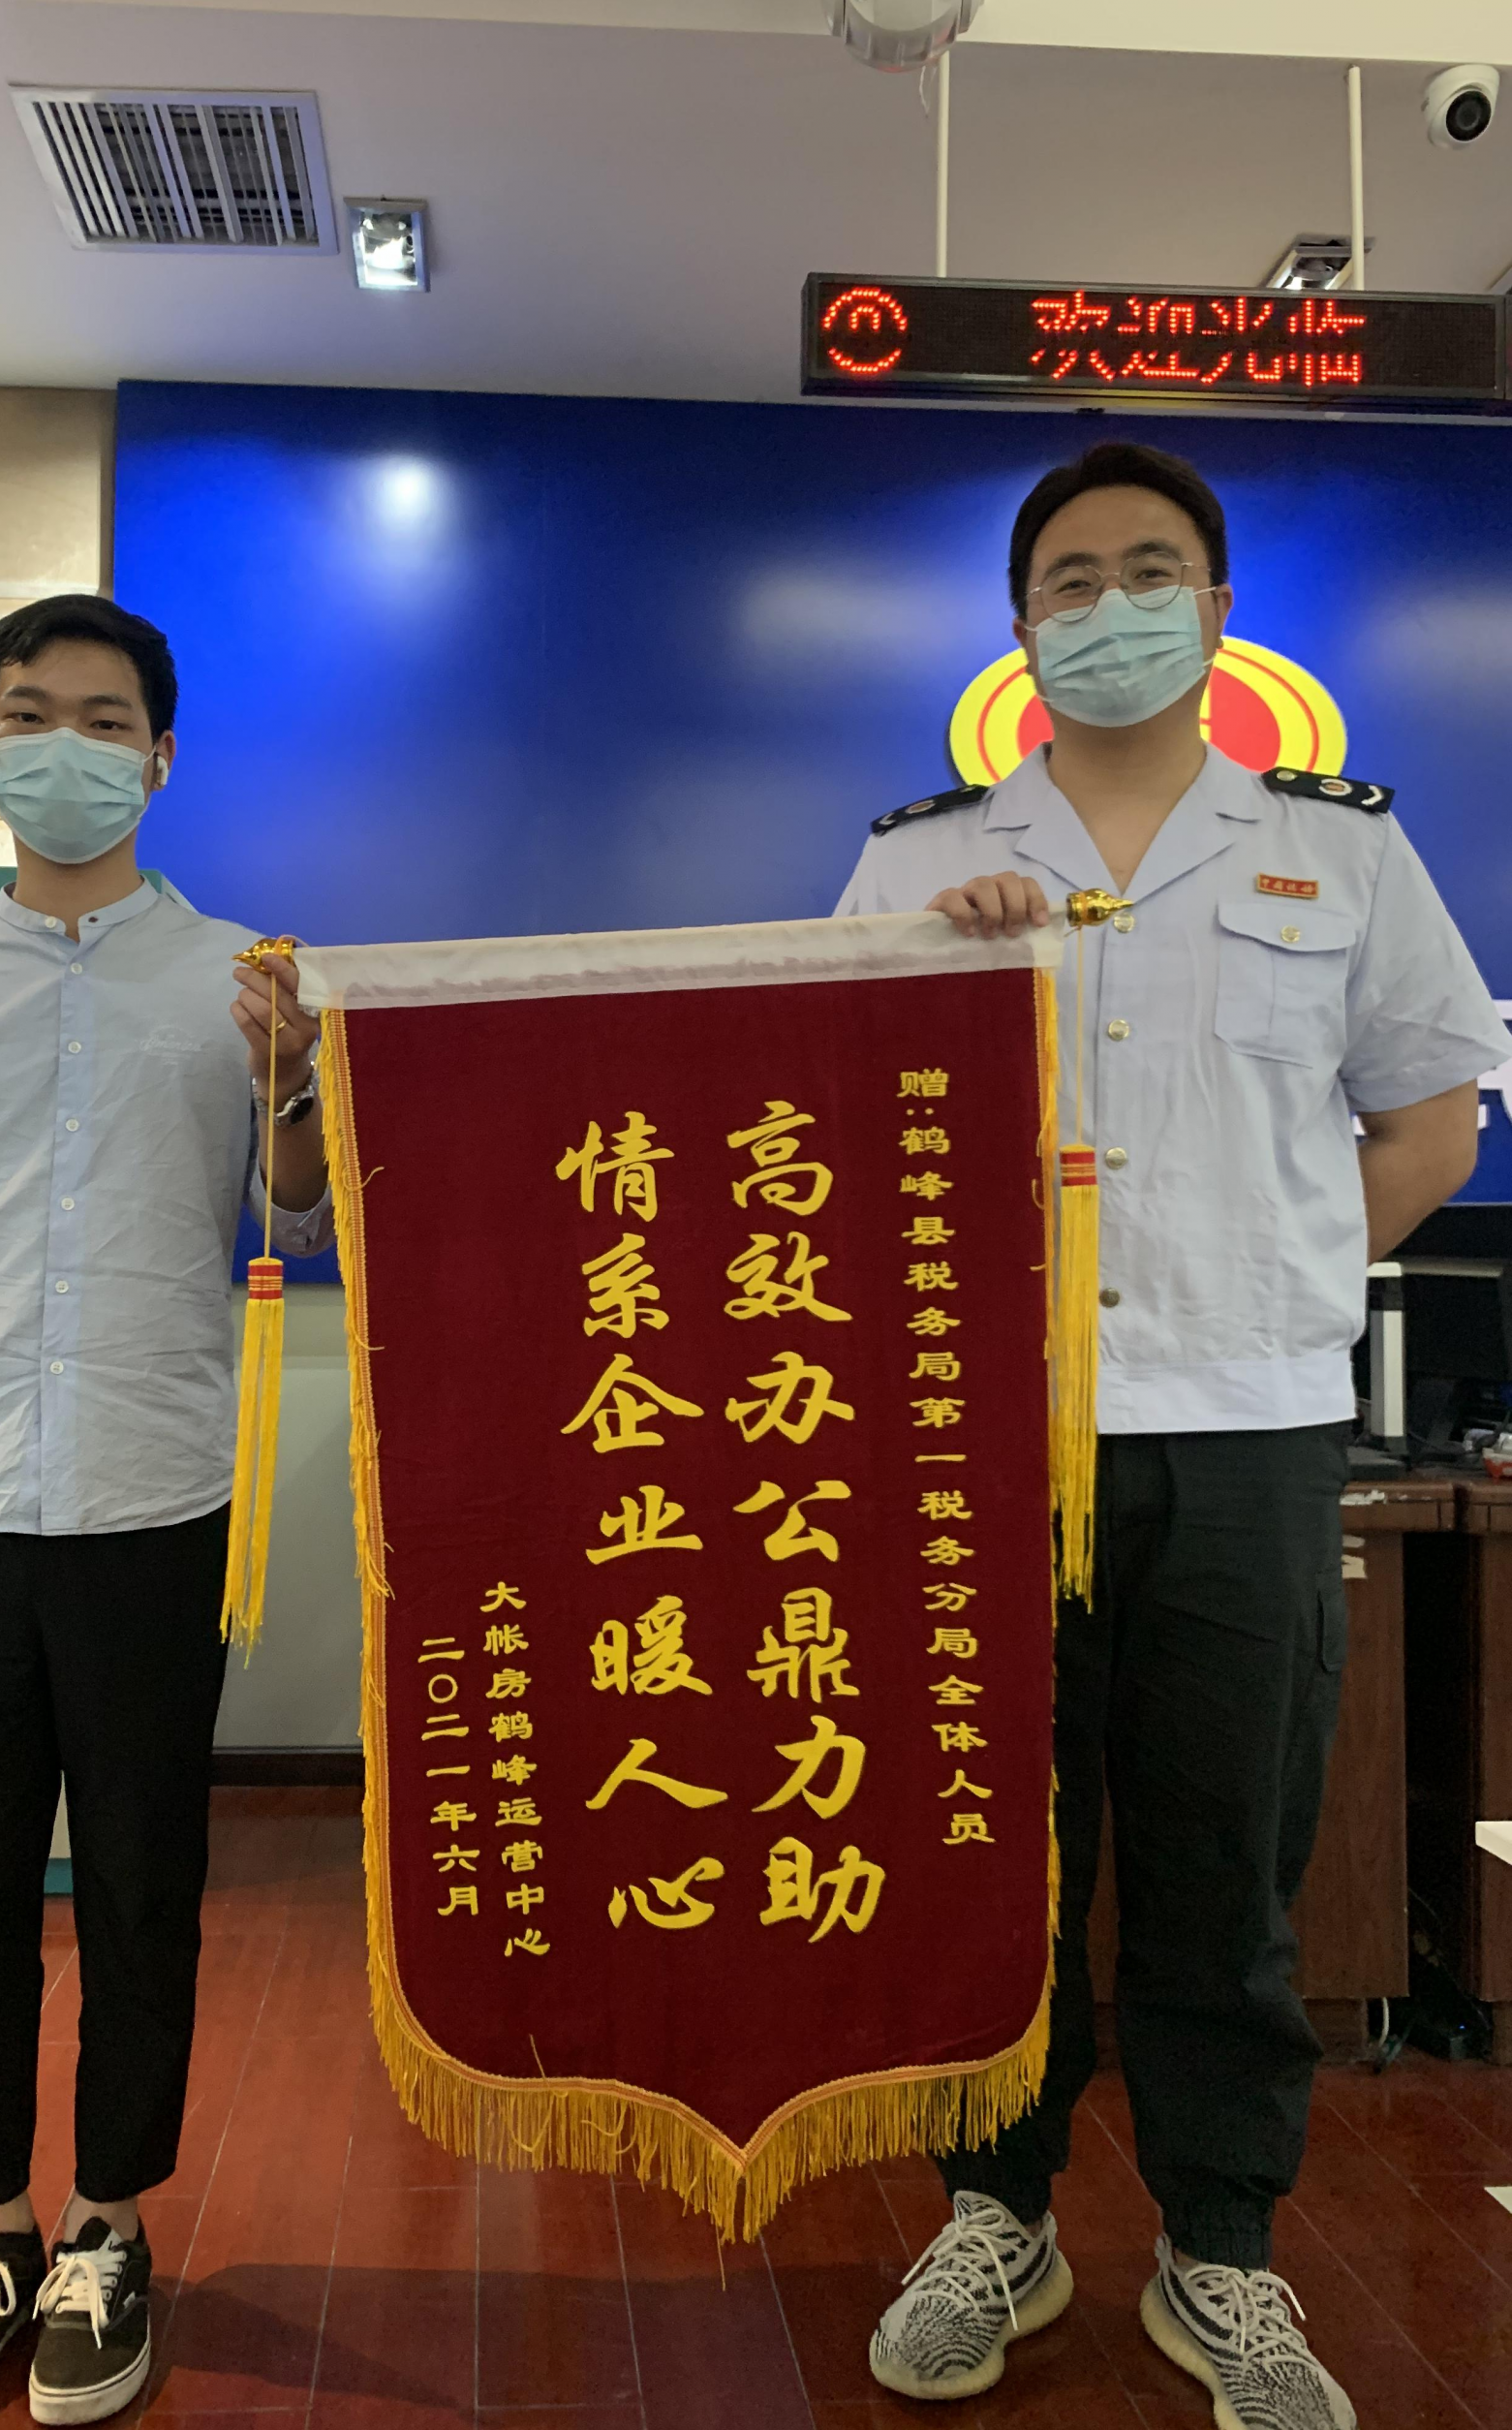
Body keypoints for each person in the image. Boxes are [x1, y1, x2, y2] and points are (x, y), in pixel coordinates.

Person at [837, 443, 1507, 2430]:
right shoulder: (914, 863)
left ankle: (1222, 2250)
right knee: (994, 1856)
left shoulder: (1341, 854)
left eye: (1151, 570)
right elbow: (832, 1145)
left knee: (1229, 1861)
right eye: (1072, 576)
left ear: (1217, 612)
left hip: (1249, 1434)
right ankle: (998, 2213)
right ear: (1018, 625)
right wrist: (932, 986)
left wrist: (1276, 1280)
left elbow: (1431, 1120)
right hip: (986, 1446)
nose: (1110, 603)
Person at [0, 595, 329, 2430]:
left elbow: (304, 1216)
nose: (67, 747)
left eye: (105, 719)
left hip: (154, 1501)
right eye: (32, 715)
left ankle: (108, 2226)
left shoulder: (247, 975)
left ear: (161, 756)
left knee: (145, 1887)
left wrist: (297, 1083)